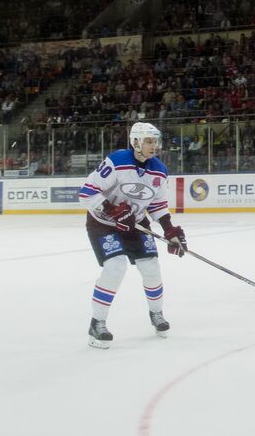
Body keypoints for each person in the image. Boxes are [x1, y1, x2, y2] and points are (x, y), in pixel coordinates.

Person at [78, 121, 186, 349]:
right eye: (148, 141)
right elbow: (87, 192)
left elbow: (158, 205)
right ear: (135, 141)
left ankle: (156, 314)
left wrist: (169, 230)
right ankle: (97, 323)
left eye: (155, 141)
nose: (153, 145)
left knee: (152, 267)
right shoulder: (117, 161)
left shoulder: (159, 169)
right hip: (103, 224)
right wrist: (112, 210)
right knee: (115, 266)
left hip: (135, 224)